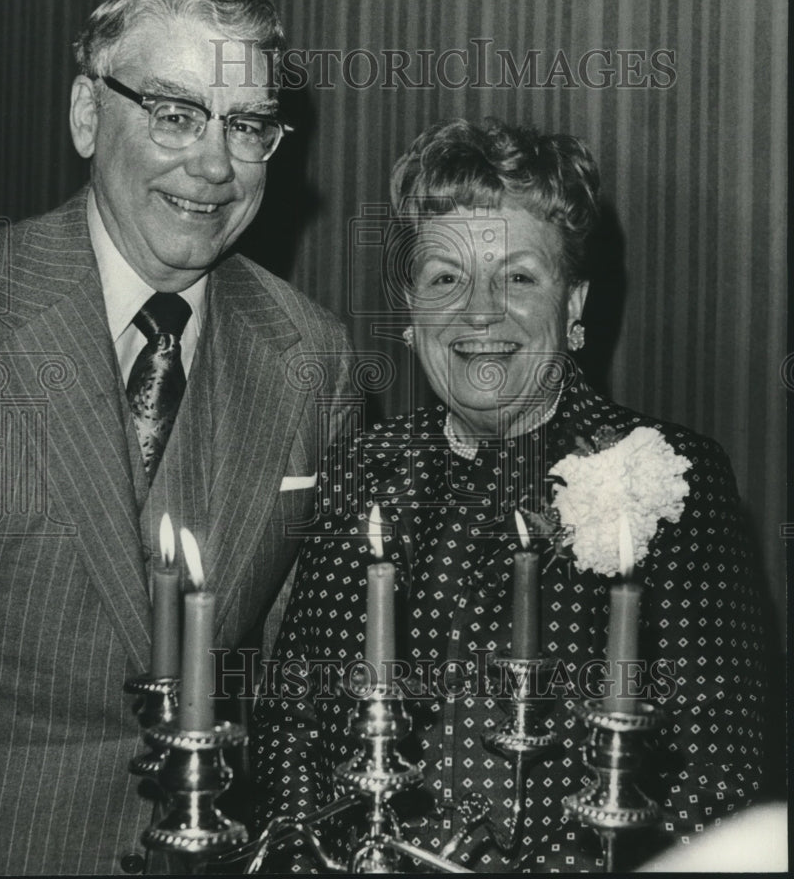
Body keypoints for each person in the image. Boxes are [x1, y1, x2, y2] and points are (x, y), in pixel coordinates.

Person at [250, 119, 768, 872]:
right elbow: (293, 729)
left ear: (576, 303)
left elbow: (715, 776)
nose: (480, 310)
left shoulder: (671, 476)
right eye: (445, 279)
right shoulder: (361, 469)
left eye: (519, 276)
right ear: (410, 309)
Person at [0, 0, 351, 876]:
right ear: (89, 114)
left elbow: (291, 686)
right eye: (174, 113)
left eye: (246, 126)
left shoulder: (315, 359)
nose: (213, 165)